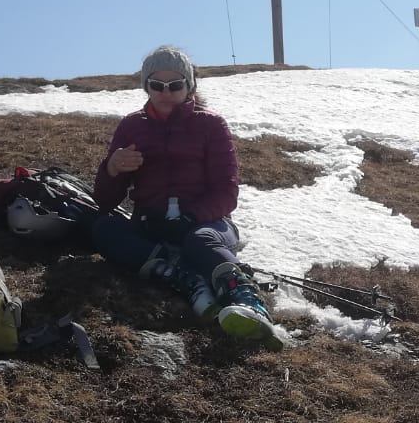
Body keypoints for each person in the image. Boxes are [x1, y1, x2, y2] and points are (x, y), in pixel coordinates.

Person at [91, 45, 282, 347]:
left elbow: (226, 192)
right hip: (150, 225)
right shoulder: (131, 126)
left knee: (200, 240)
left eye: (175, 85)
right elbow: (105, 200)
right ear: (146, 87)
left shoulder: (211, 124)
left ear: (189, 85)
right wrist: (112, 169)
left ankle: (246, 301)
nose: (166, 93)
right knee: (104, 228)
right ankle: (184, 277)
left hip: (207, 224)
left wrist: (191, 217)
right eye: (157, 85)